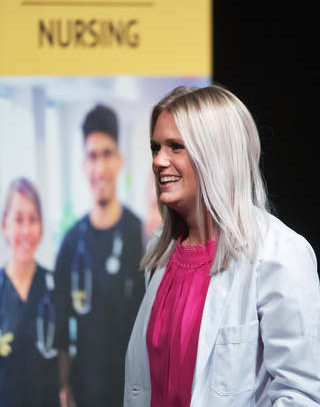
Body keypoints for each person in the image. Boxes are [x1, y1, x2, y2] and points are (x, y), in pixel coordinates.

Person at [124, 85, 320, 407]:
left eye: (176, 147)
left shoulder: (279, 254)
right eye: (156, 147)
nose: (159, 161)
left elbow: (299, 396)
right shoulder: (162, 248)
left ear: (216, 153)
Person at [55, 104, 145, 407]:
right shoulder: (70, 244)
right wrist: (64, 387)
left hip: (133, 393)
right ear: (84, 165)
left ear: (119, 161)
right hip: (85, 392)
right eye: (92, 156)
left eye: (107, 154)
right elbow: (60, 329)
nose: (100, 167)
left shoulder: (141, 237)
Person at [0, 178, 59, 407]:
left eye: (33, 220)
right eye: (18, 219)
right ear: (5, 224)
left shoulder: (54, 287)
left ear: (41, 226)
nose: (26, 230)